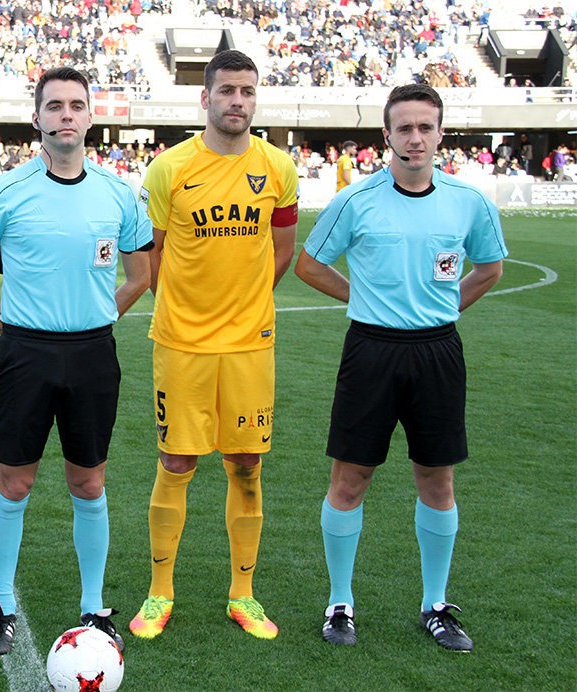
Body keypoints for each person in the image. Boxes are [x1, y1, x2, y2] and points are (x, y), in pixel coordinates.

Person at [294, 83, 507, 651]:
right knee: (350, 478)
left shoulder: (468, 201)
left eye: (425, 127)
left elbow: (489, 268)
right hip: (370, 351)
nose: (415, 138)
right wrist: (362, 298)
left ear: (440, 133)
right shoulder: (356, 200)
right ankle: (340, 603)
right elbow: (308, 264)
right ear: (385, 135)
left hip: (438, 352)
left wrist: (442, 309)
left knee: (437, 480)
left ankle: (436, 604)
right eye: (404, 128)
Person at [0, 66, 152, 656]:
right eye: (55, 106)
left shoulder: (118, 193)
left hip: (93, 354)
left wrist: (102, 315)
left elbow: (142, 273)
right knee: (15, 481)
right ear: (37, 118)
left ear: (90, 116)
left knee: (88, 480)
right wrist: (8, 327)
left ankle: (94, 606)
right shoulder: (5, 192)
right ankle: (4, 605)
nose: (66, 114)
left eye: (76, 105)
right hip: (26, 354)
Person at [128, 49, 299, 642]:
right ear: (206, 98)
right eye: (226, 91)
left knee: (246, 465)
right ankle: (159, 593)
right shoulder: (169, 170)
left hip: (251, 345)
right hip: (181, 344)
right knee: (177, 462)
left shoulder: (278, 167)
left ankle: (243, 595)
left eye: (247, 92)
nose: (237, 101)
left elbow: (283, 250)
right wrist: (182, 310)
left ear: (255, 98)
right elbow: (148, 253)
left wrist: (247, 302)